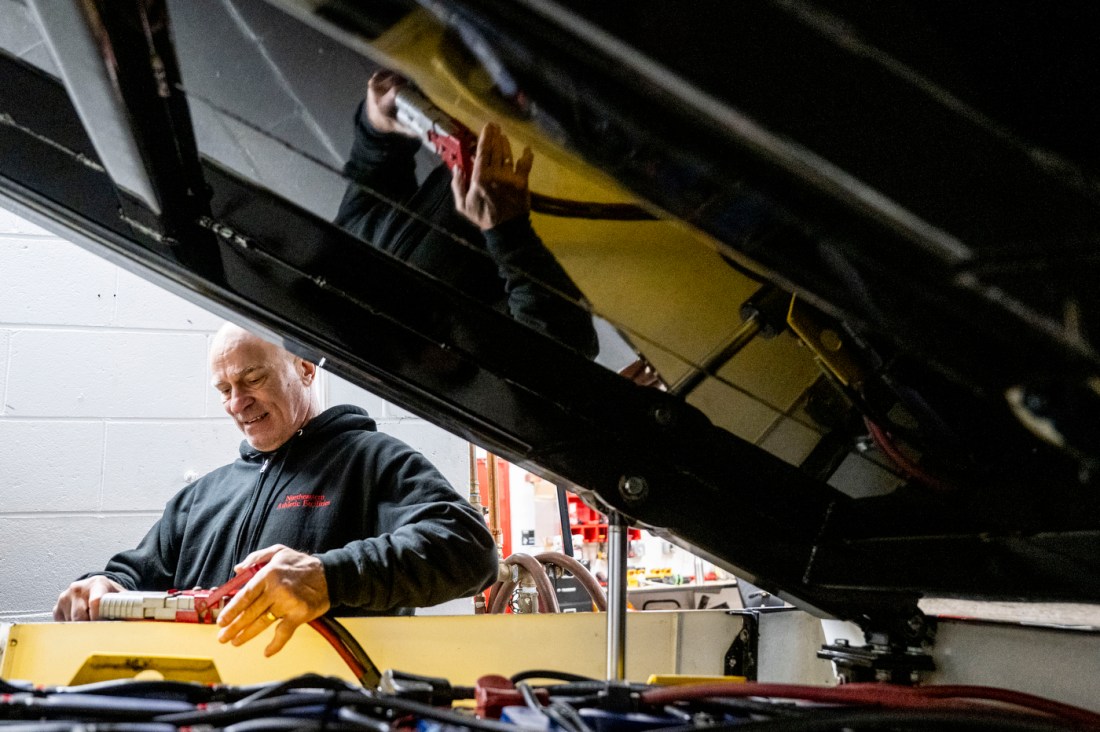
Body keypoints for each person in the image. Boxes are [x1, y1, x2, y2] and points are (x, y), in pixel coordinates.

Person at [54, 323, 499, 657]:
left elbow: (470, 549)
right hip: (206, 711)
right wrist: (103, 586)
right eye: (224, 388)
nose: (235, 402)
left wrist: (329, 577)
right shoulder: (201, 498)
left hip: (329, 712)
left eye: (252, 379)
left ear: (304, 369)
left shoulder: (370, 460)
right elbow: (136, 574)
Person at [334, 69, 600, 359]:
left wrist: (377, 122)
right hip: (602, 190)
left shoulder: (342, 260)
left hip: (529, 101)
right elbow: (564, 352)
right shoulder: (447, 362)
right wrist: (508, 232)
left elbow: (370, 165)